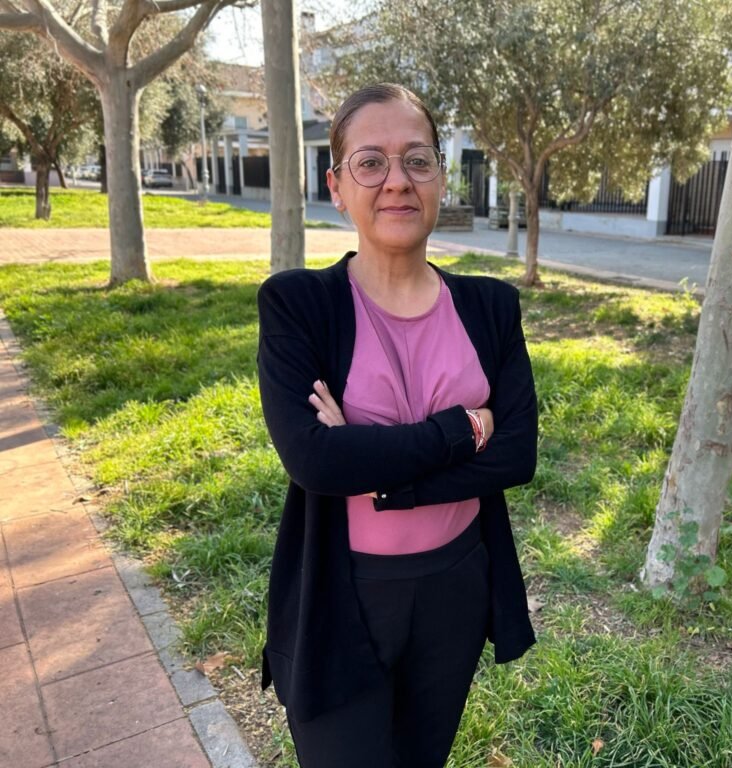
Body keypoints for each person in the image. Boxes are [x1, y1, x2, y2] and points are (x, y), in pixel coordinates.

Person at [255, 83, 538, 768]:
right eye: (370, 163)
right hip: (341, 598)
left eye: (417, 160)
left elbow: (516, 455)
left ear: (440, 176)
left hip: (456, 588)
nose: (397, 181)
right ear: (336, 186)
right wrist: (461, 431)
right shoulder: (299, 306)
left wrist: (380, 472)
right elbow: (316, 462)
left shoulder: (491, 307)